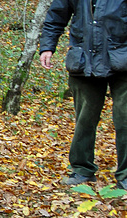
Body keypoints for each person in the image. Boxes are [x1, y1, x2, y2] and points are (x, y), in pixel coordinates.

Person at [39, 0, 127, 190]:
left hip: (123, 61)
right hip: (83, 60)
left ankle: (126, 175)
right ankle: (82, 170)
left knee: (125, 119)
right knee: (84, 120)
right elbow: (55, 16)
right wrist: (47, 46)